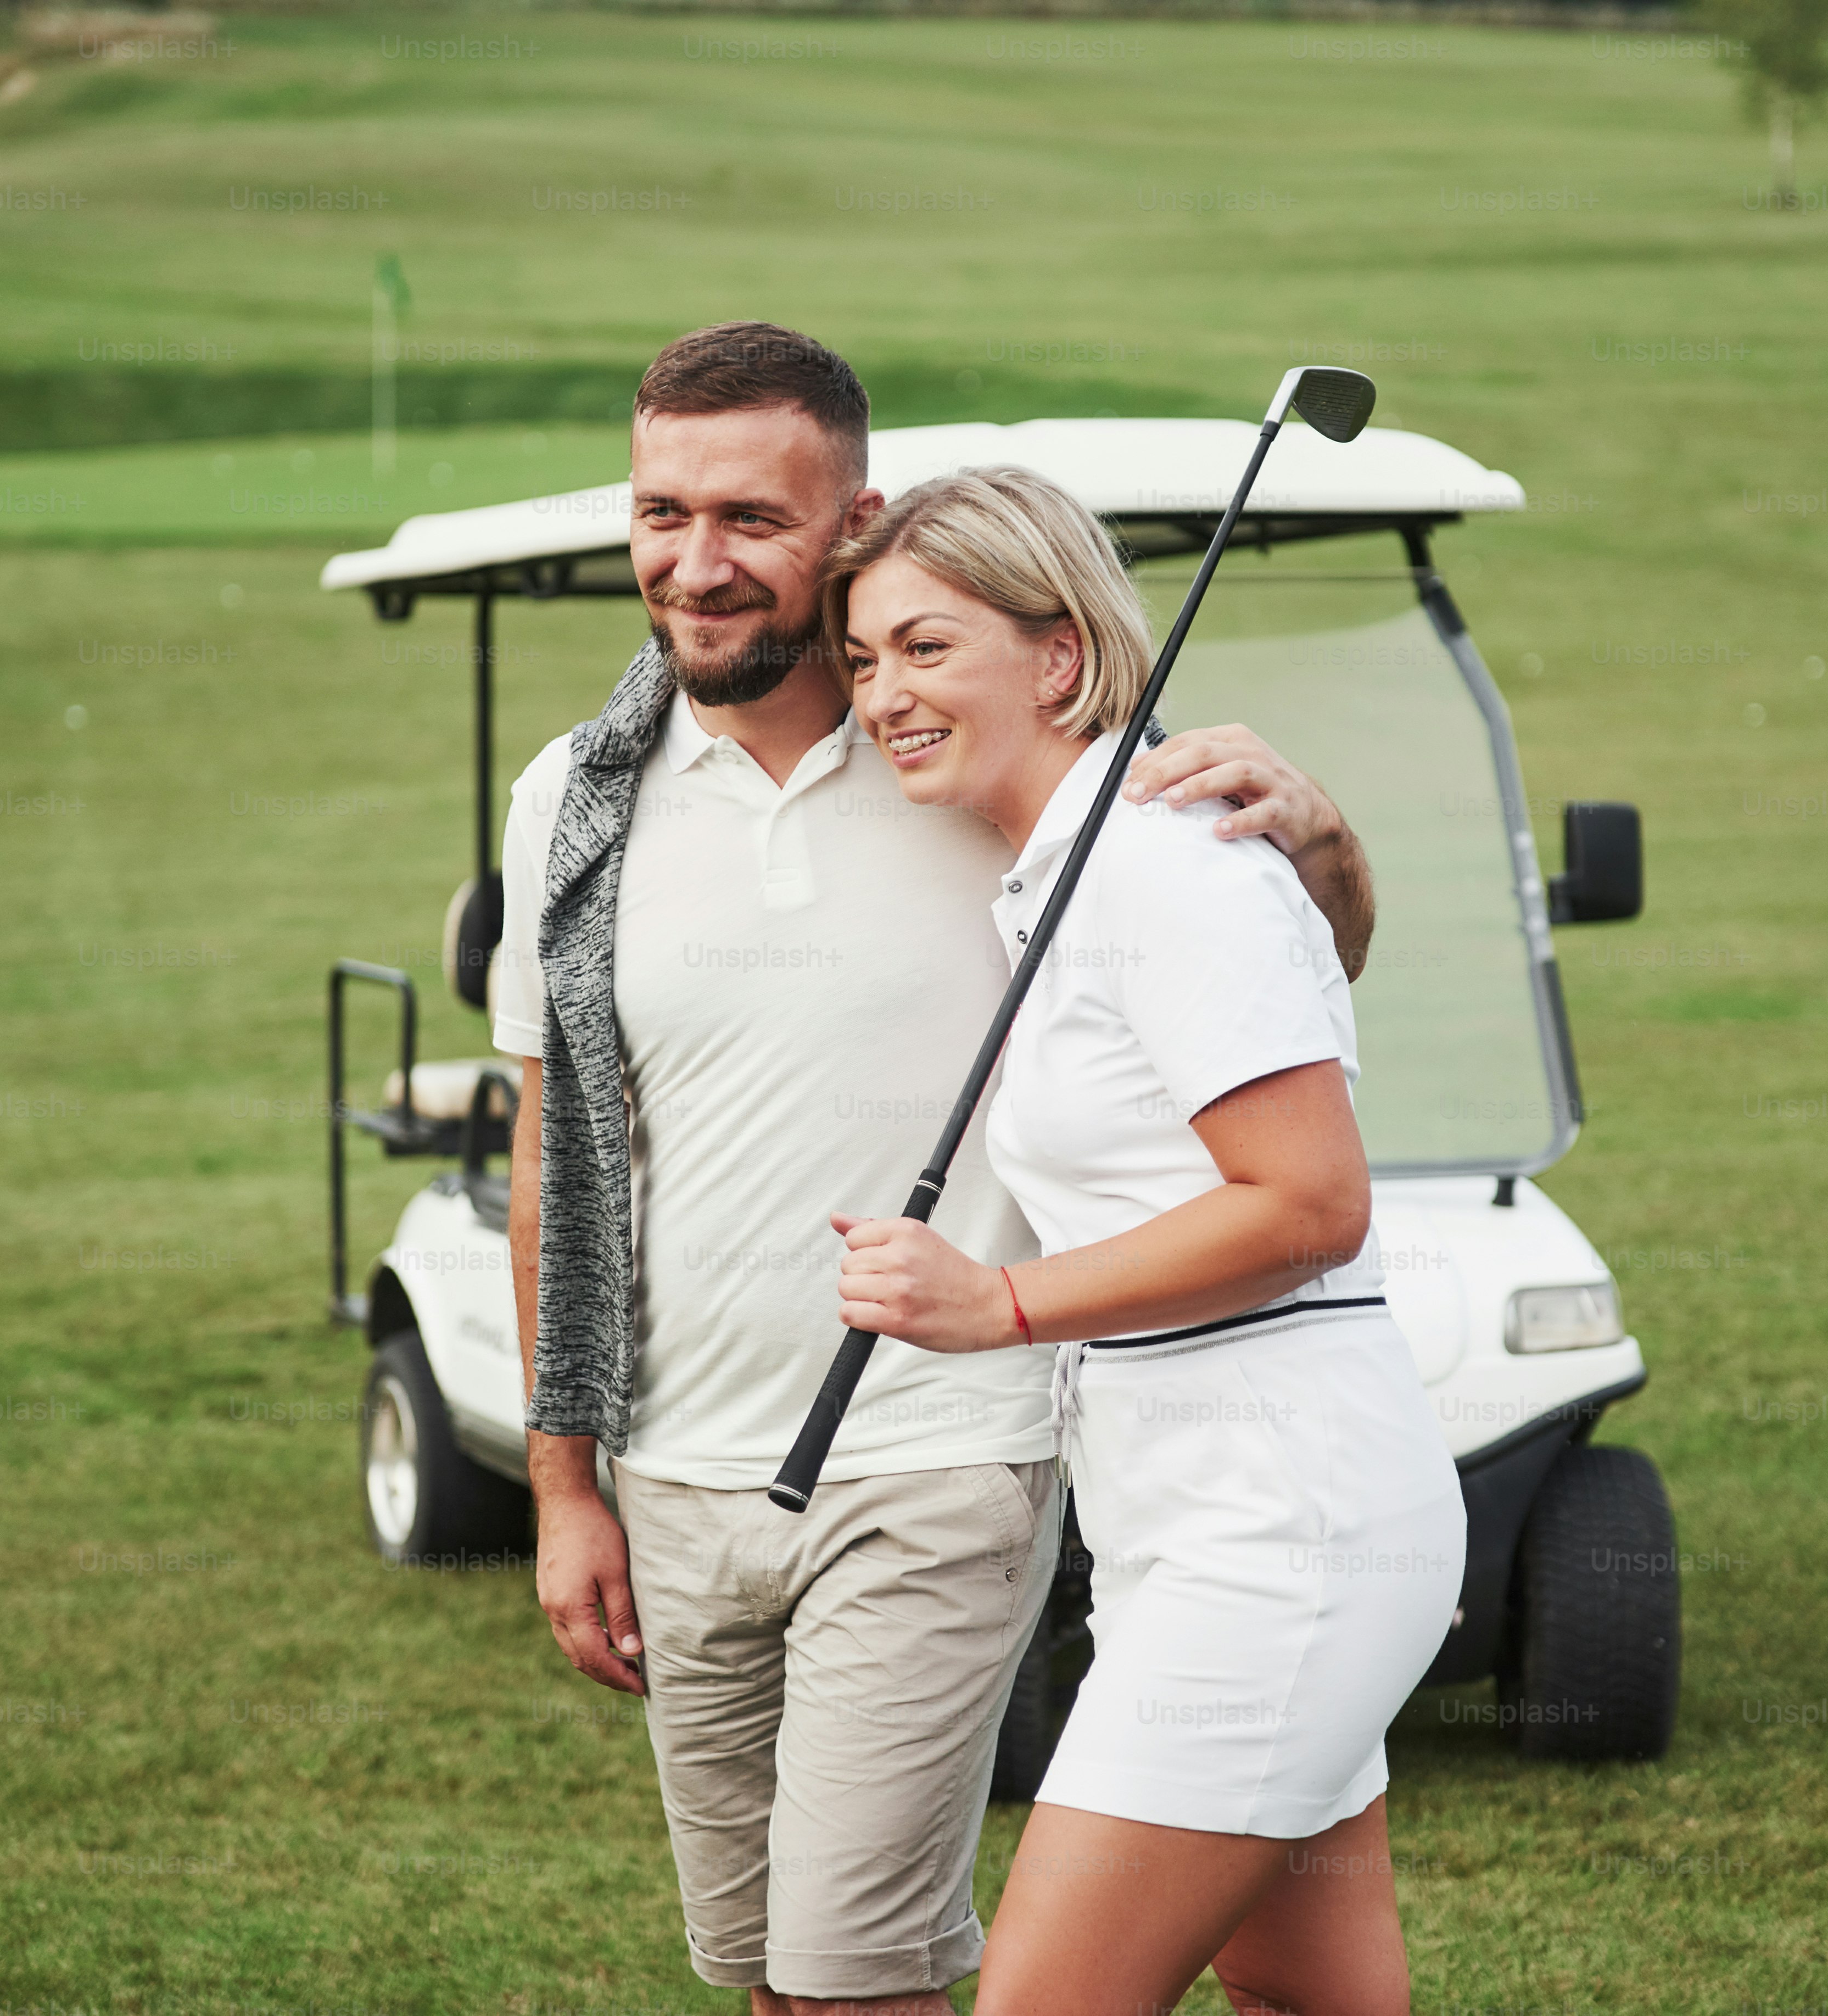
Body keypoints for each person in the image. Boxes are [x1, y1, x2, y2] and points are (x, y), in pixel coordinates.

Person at [491, 322, 1382, 2015]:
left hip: (939, 1458)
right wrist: (561, 1482)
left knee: (855, 1983)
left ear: (852, 517)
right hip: (680, 1475)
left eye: (751, 519)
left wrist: (1324, 844)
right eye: (659, 512)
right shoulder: (572, 801)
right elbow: (560, 1141)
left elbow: (1265, 984)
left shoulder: (975, 753)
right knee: (759, 1976)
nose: (696, 564)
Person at [825, 466, 1466, 2016]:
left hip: (1278, 1529)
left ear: (1057, 657)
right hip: (1194, 1516)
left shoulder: (1158, 863)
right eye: (859, 661)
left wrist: (1000, 1302)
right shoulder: (1064, 863)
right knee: (1309, 1996)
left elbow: (1310, 1204)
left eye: (924, 647)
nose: (880, 698)